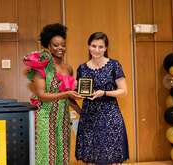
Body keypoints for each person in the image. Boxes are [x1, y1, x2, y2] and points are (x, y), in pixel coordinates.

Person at [23, 23, 81, 165]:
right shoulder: (42, 65)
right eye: (56, 45)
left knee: (62, 153)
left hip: (62, 117)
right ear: (48, 46)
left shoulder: (68, 68)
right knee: (46, 154)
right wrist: (66, 93)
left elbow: (69, 96)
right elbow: (42, 95)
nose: (60, 48)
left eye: (63, 45)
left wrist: (81, 111)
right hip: (45, 116)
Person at [75, 32, 129, 165]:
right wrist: (76, 91)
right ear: (88, 46)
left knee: (111, 156)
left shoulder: (114, 65)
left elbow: (124, 91)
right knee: (90, 156)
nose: (97, 50)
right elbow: (80, 92)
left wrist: (104, 93)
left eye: (101, 47)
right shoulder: (82, 68)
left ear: (105, 48)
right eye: (94, 46)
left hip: (110, 115)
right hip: (89, 116)